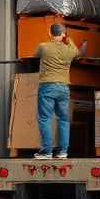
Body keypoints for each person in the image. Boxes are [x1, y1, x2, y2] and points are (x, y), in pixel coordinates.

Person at [33, 23, 87, 159]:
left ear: (50, 33)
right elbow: (80, 53)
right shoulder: (70, 50)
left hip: (47, 87)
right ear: (63, 34)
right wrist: (69, 40)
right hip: (63, 88)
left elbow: (35, 55)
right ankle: (63, 152)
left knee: (45, 118)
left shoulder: (43, 47)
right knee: (63, 119)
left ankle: (47, 151)